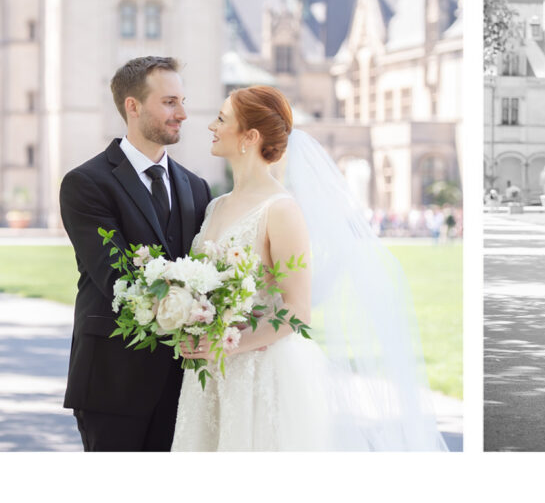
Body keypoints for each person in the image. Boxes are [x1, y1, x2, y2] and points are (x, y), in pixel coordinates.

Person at [172, 86, 447, 450]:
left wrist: (224, 344)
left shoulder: (281, 209)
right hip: (210, 375)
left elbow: (296, 311)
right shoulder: (215, 206)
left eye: (222, 119)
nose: (211, 125)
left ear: (249, 137)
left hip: (260, 375)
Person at [59, 56, 212, 451]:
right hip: (112, 382)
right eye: (169, 102)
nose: (182, 113)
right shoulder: (86, 183)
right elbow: (118, 279)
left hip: (183, 384)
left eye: (182, 101)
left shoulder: (196, 188)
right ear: (133, 105)